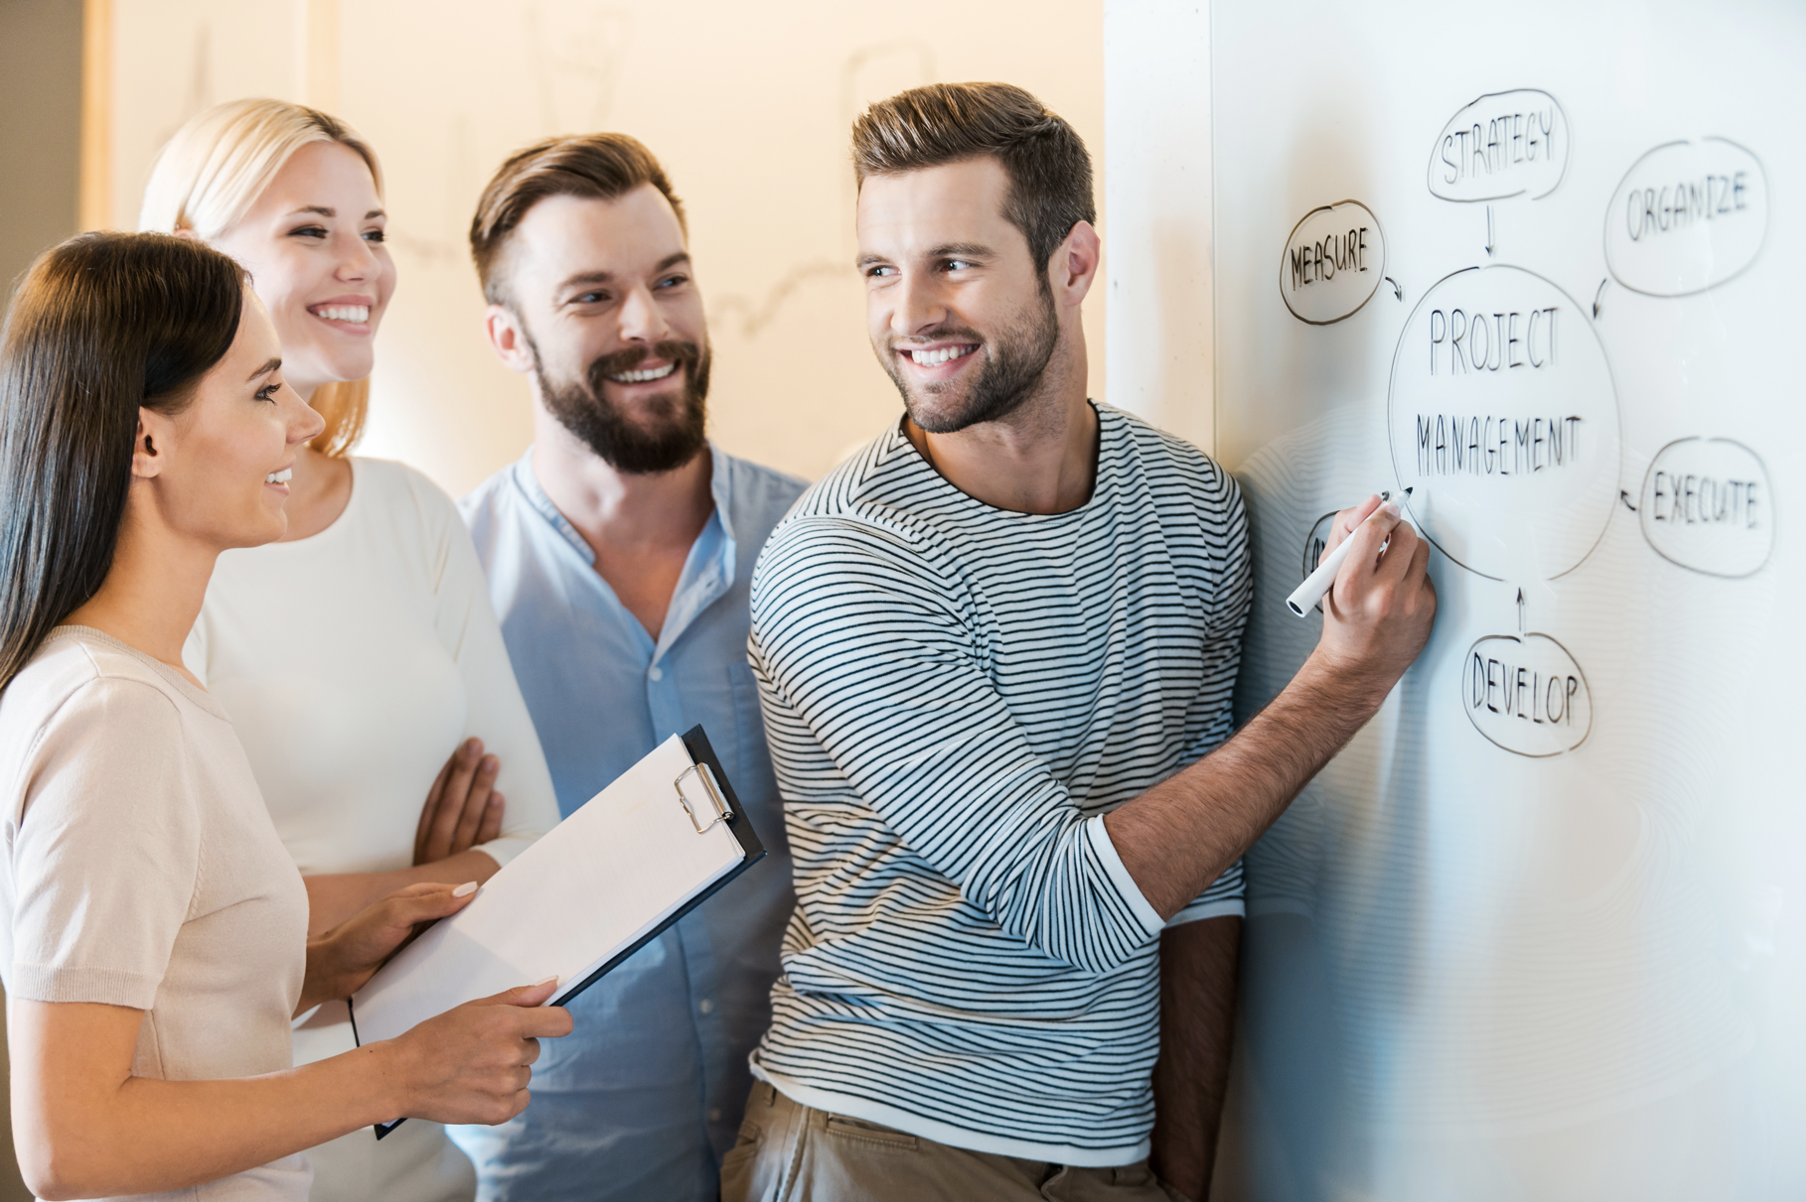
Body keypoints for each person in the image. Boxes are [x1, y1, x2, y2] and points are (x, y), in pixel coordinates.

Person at [722, 83, 1437, 1202]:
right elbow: (1075, 902)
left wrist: (1176, 1174)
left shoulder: (1193, 506)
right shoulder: (846, 558)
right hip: (878, 1144)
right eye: (877, 269)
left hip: (1107, 1152)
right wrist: (1343, 682)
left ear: (1075, 261)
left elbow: (1204, 878)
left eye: (953, 261)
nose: (907, 312)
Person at [0, 231, 572, 1202]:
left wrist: (309, 968)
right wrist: (399, 1071)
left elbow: (158, 1014)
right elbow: (71, 1140)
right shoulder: (116, 716)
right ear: (146, 441)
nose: (304, 421)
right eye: (265, 390)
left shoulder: (147, 688)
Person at [138, 99, 563, 1202]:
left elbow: (537, 852)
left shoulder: (413, 516)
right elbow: (155, 934)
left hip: (419, 1150)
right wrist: (430, 878)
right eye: (310, 228)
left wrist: (323, 894)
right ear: (194, 261)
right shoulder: (151, 539)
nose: (361, 264)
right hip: (219, 1156)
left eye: (374, 229)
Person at [453, 134, 806, 1200]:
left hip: (814, 1143)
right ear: (507, 337)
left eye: (671, 280)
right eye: (594, 295)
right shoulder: (446, 588)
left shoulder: (822, 550)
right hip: (558, 1161)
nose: (649, 325)